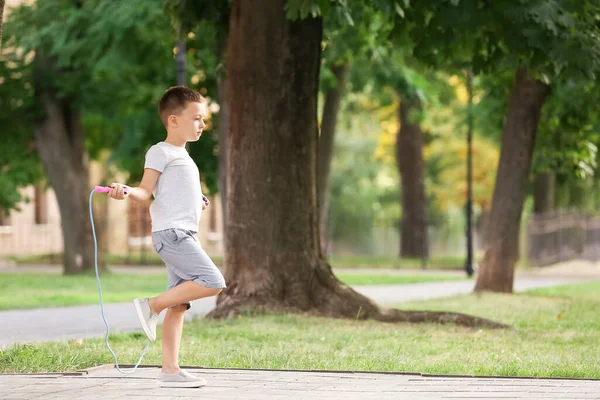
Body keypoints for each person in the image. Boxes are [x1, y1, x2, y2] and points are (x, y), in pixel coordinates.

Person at [109, 85, 226, 388]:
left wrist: (195, 199)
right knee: (213, 281)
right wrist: (125, 190)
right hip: (172, 236)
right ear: (174, 120)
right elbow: (145, 190)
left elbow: (173, 190)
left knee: (180, 306)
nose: (202, 125)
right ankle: (151, 305)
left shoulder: (182, 155)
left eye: (203, 119)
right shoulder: (159, 151)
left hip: (183, 233)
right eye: (197, 118)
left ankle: (169, 371)